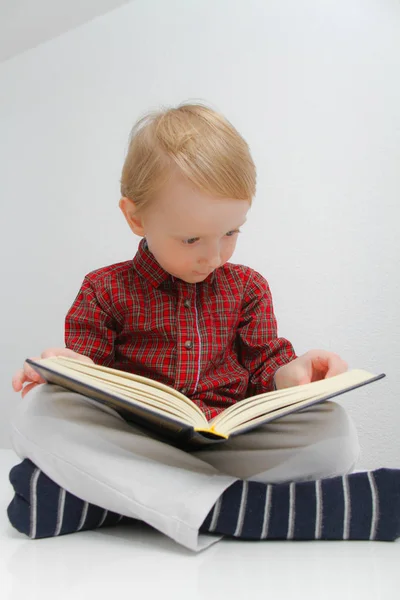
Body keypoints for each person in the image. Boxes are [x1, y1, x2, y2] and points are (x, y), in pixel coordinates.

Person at [8, 104, 399, 550]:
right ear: (136, 218)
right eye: (192, 239)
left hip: (228, 445)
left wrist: (292, 375)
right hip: (133, 441)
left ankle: (105, 500)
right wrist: (67, 369)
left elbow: (265, 361)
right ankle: (243, 511)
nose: (214, 256)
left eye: (231, 233)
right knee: (36, 412)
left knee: (335, 431)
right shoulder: (104, 289)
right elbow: (90, 375)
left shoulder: (248, 287)